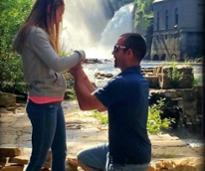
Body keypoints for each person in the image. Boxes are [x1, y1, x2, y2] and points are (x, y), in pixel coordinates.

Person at [13, 0, 85, 170]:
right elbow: (58, 64)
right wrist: (79, 54)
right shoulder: (35, 33)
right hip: (44, 105)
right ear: (48, 9)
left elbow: (45, 66)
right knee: (39, 158)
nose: (60, 20)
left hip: (52, 103)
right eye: (60, 13)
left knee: (60, 152)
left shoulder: (32, 32)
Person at [70, 33, 151, 171]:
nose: (112, 52)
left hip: (126, 160)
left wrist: (76, 74)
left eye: (116, 48)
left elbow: (85, 104)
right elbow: (100, 104)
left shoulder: (122, 82)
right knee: (84, 158)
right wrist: (81, 72)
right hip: (137, 151)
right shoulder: (138, 79)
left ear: (129, 53)